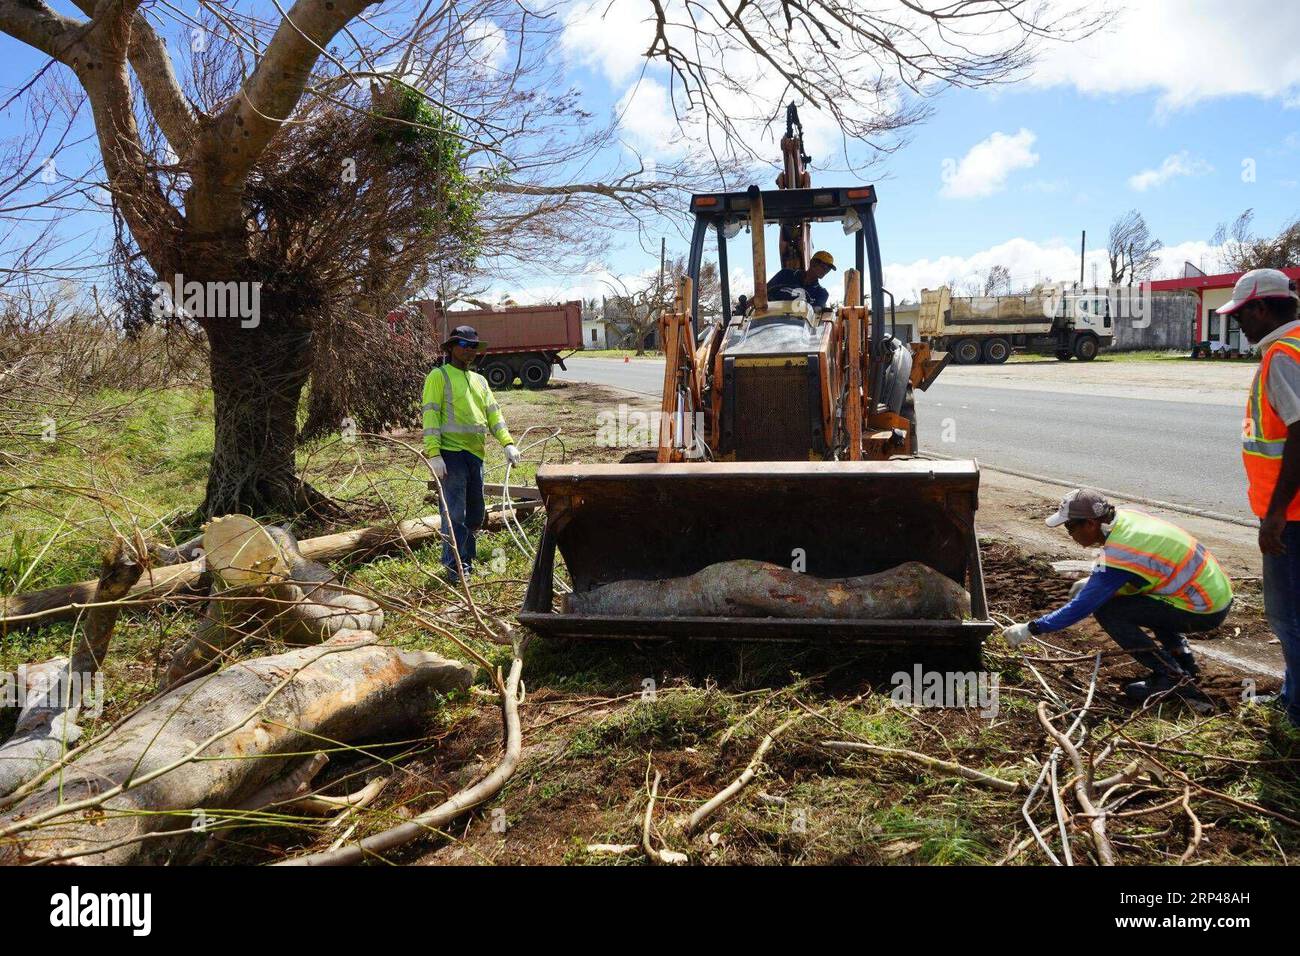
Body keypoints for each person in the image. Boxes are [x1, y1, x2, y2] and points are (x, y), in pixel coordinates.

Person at [1001, 489, 1233, 704]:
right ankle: (1184, 663)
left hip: (1202, 608)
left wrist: (1031, 628)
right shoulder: (1126, 519)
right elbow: (1141, 573)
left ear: (1090, 524)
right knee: (1150, 603)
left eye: (1070, 528)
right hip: (1212, 593)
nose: (1070, 535)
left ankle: (1170, 677)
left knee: (1108, 610)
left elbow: (1081, 607)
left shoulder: (1120, 552)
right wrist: (1094, 582)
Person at [1219, 268, 1300, 726]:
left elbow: (1299, 435)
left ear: (1261, 307)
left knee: (1288, 616)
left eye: (1241, 315)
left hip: (1292, 515)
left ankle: (1297, 709)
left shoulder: (1283, 356)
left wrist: (1274, 516)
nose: (1238, 325)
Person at [422, 325, 521, 580]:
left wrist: (507, 443)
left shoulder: (480, 380)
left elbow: (493, 414)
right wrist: (434, 454)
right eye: (465, 346)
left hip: (475, 454)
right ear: (452, 348)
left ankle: (469, 558)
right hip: (450, 454)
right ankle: (456, 565)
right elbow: (431, 415)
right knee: (455, 513)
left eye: (474, 347)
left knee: (476, 513)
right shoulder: (439, 376)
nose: (470, 351)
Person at [767, 250, 836, 310]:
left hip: (799, 324)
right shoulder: (785, 274)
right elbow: (763, 293)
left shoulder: (822, 293)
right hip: (771, 319)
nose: (825, 271)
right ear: (812, 263)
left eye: (828, 269)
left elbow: (816, 315)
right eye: (823, 266)